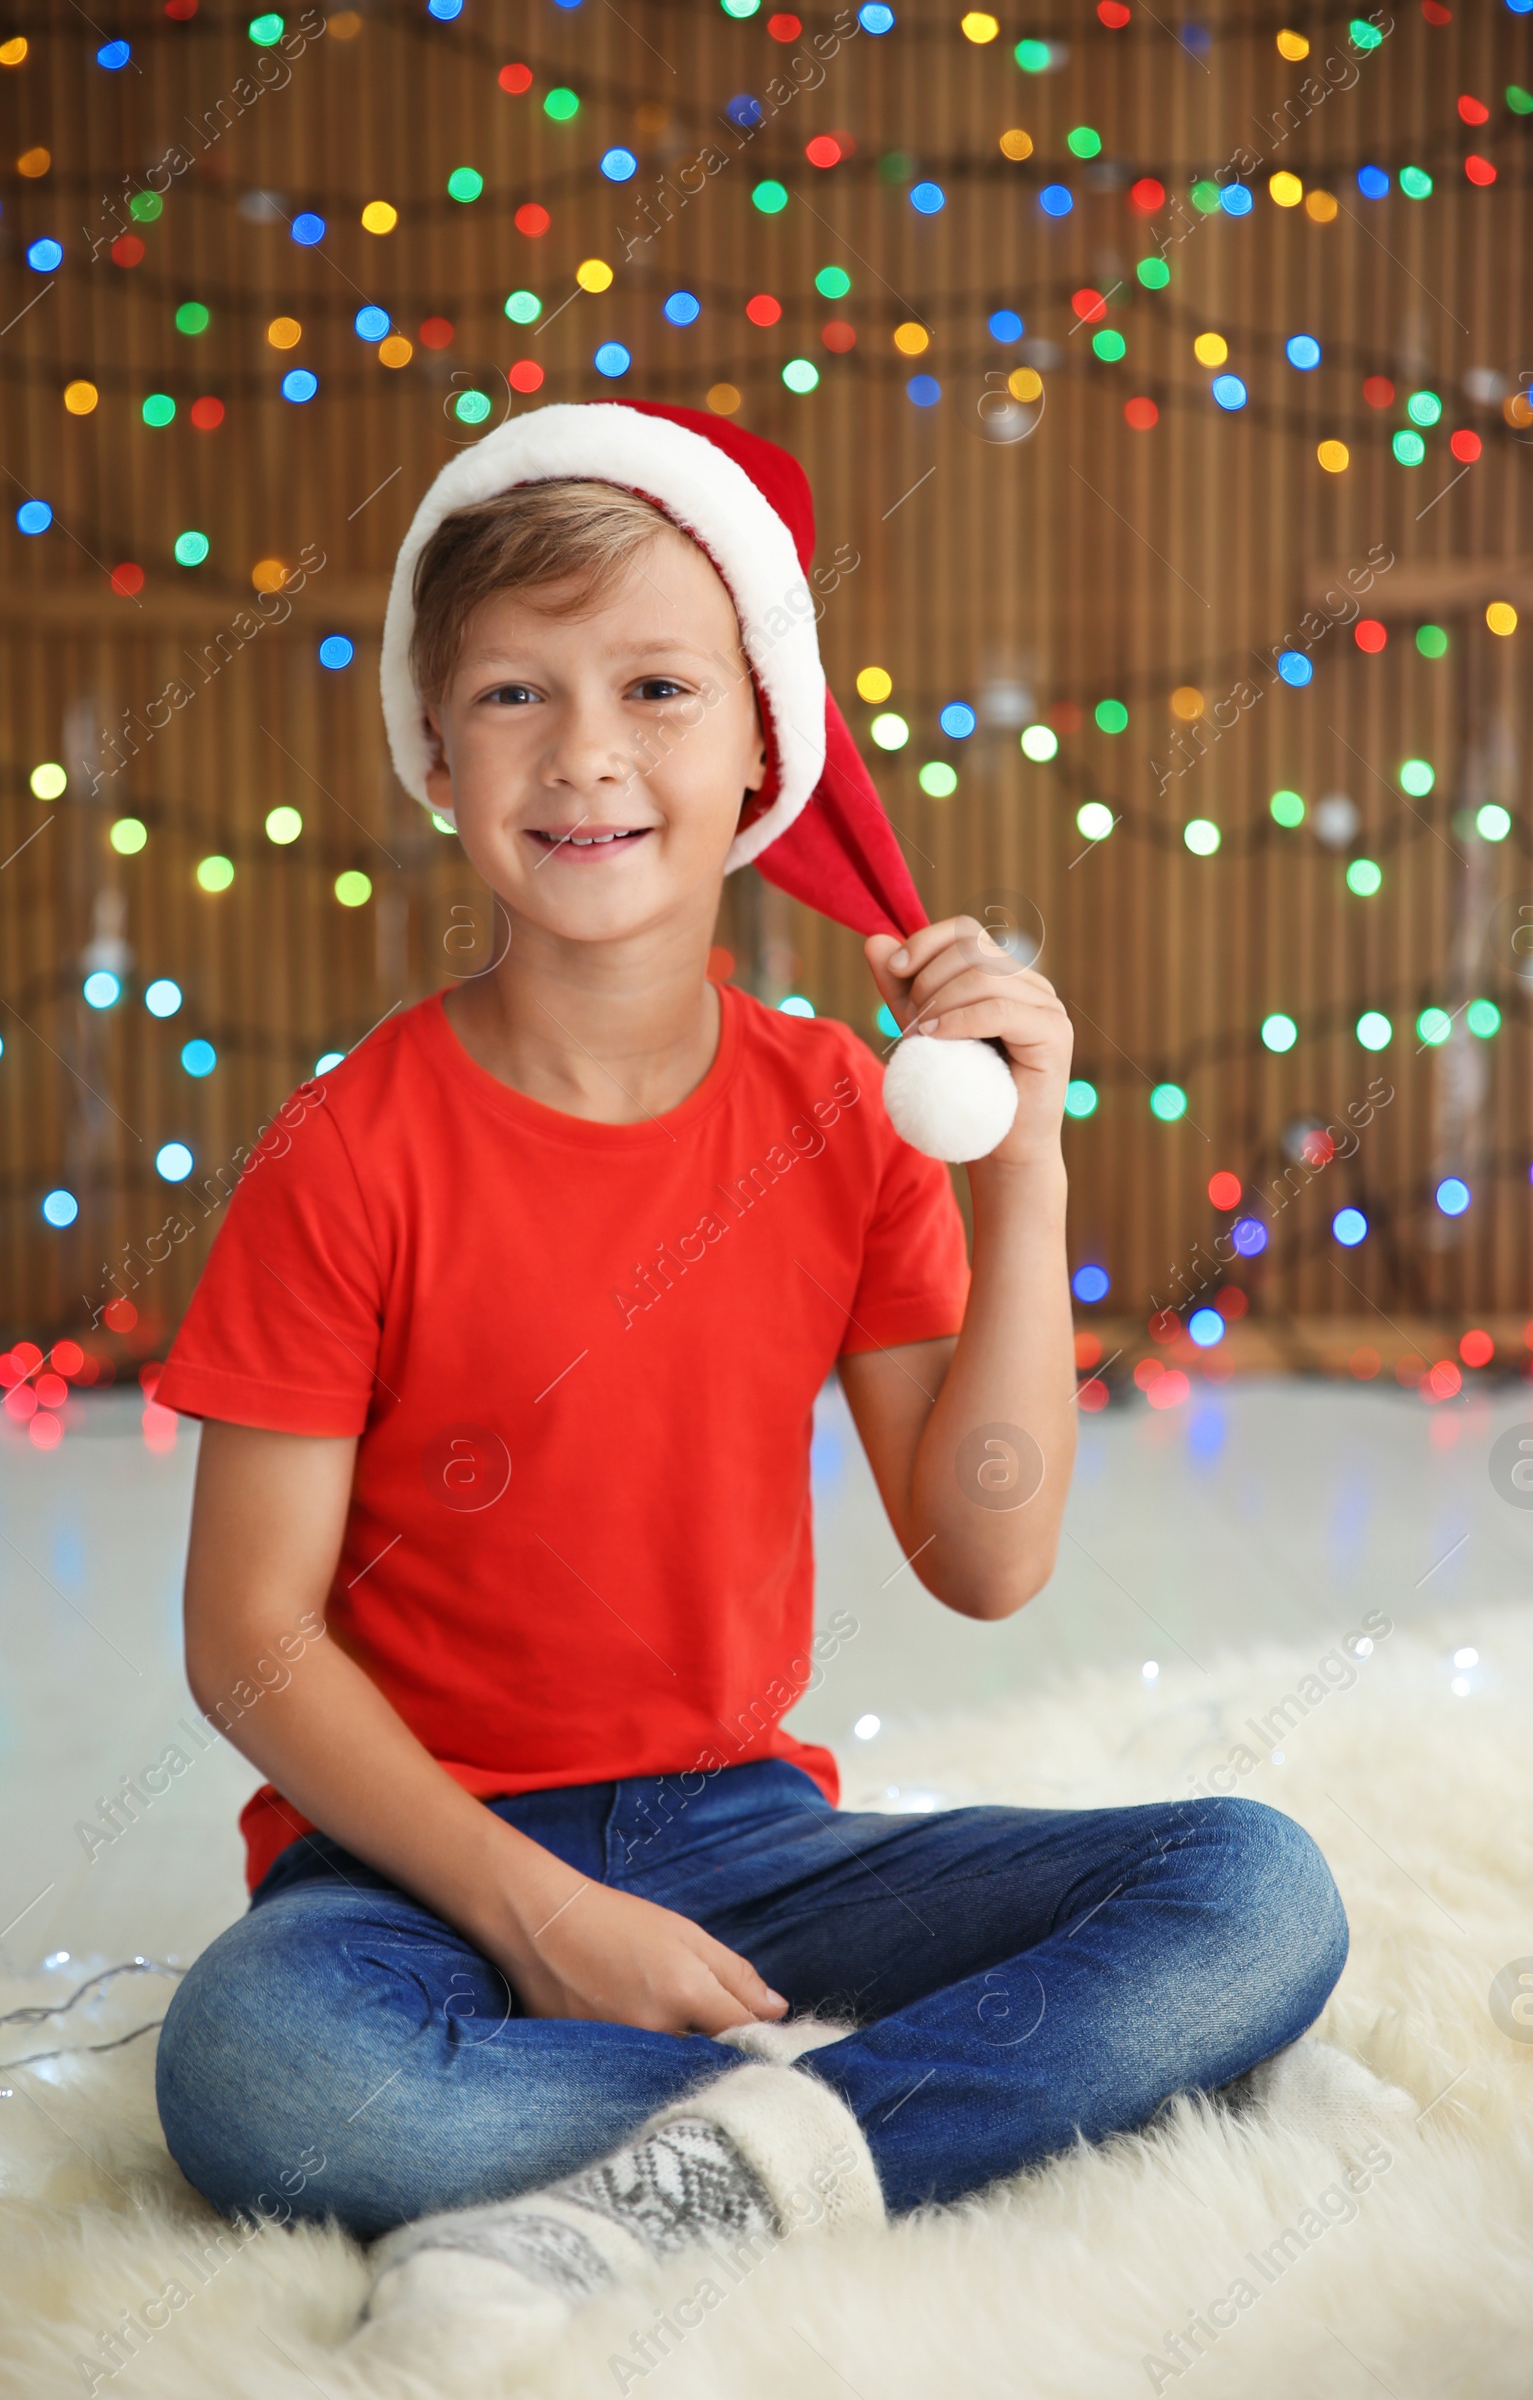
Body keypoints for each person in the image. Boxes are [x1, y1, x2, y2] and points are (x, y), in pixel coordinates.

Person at [153, 402, 1349, 2357]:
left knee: (1251, 1885)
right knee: (265, 2082)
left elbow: (987, 1556)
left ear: (759, 747)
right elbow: (249, 1646)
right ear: (436, 755)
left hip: (744, 1842)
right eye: (515, 696)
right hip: (407, 1866)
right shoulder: (347, 1150)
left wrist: (1021, 1167)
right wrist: (538, 1915)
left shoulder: (841, 1121)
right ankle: (1002, 2099)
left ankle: (719, 2164)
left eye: (654, 685)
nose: (587, 752)